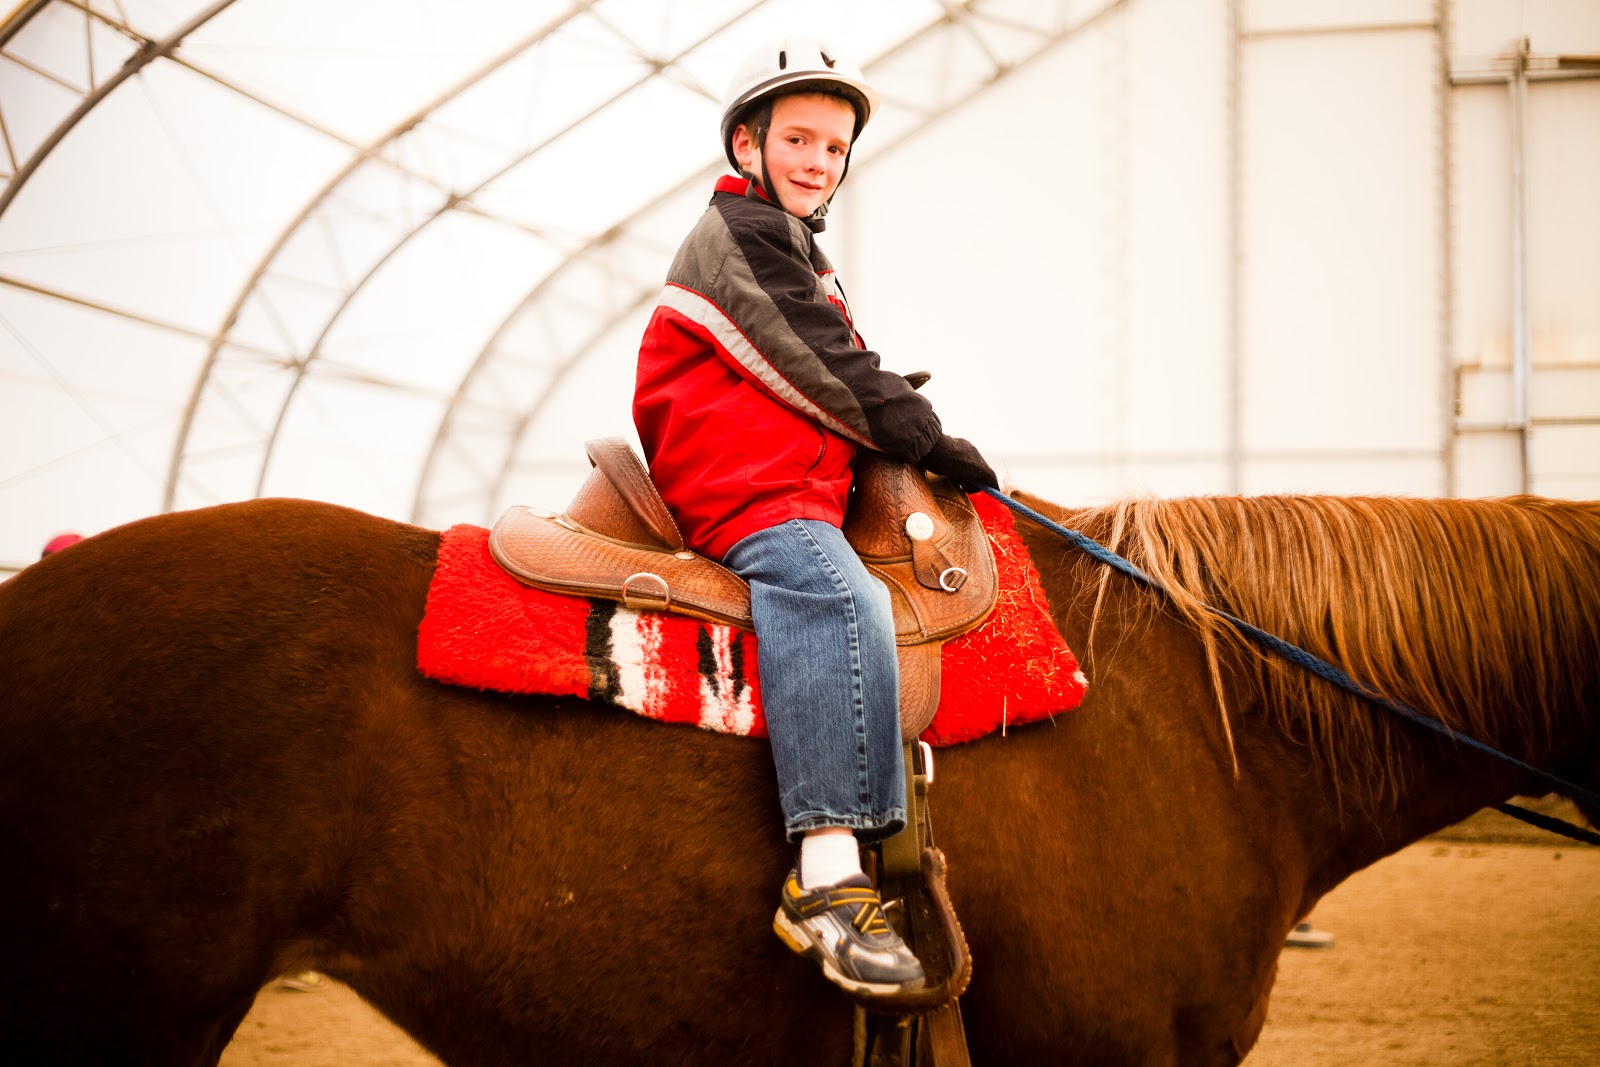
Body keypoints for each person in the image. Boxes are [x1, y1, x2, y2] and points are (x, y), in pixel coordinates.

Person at [632, 36, 998, 998]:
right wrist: (925, 435)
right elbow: (826, 366)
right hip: (743, 489)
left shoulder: (793, 248)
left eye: (833, 150)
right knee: (836, 593)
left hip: (791, 476)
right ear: (747, 143)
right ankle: (826, 876)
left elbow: (831, 368)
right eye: (797, 139)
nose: (816, 161)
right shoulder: (738, 236)